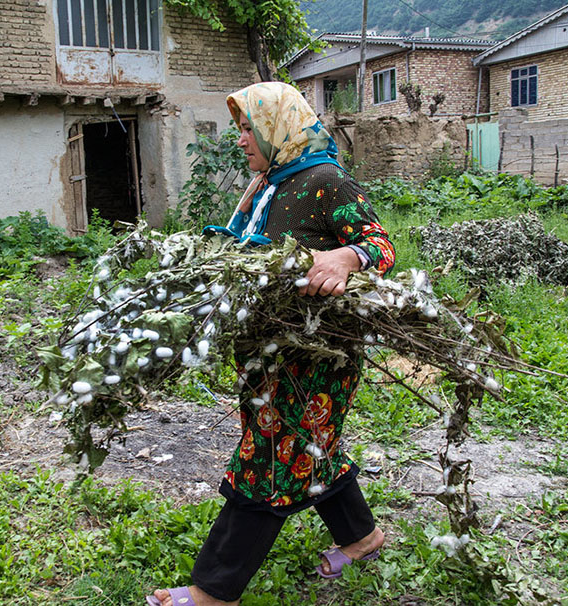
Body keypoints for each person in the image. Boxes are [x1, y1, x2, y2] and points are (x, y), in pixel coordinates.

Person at [147, 82, 396, 606]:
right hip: (270, 351)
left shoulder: (326, 180)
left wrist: (346, 260)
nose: (240, 139)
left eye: (247, 128)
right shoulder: (266, 183)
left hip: (315, 356)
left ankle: (214, 591)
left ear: (278, 127)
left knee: (267, 458)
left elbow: (379, 243)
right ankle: (363, 538)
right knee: (313, 445)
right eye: (240, 128)